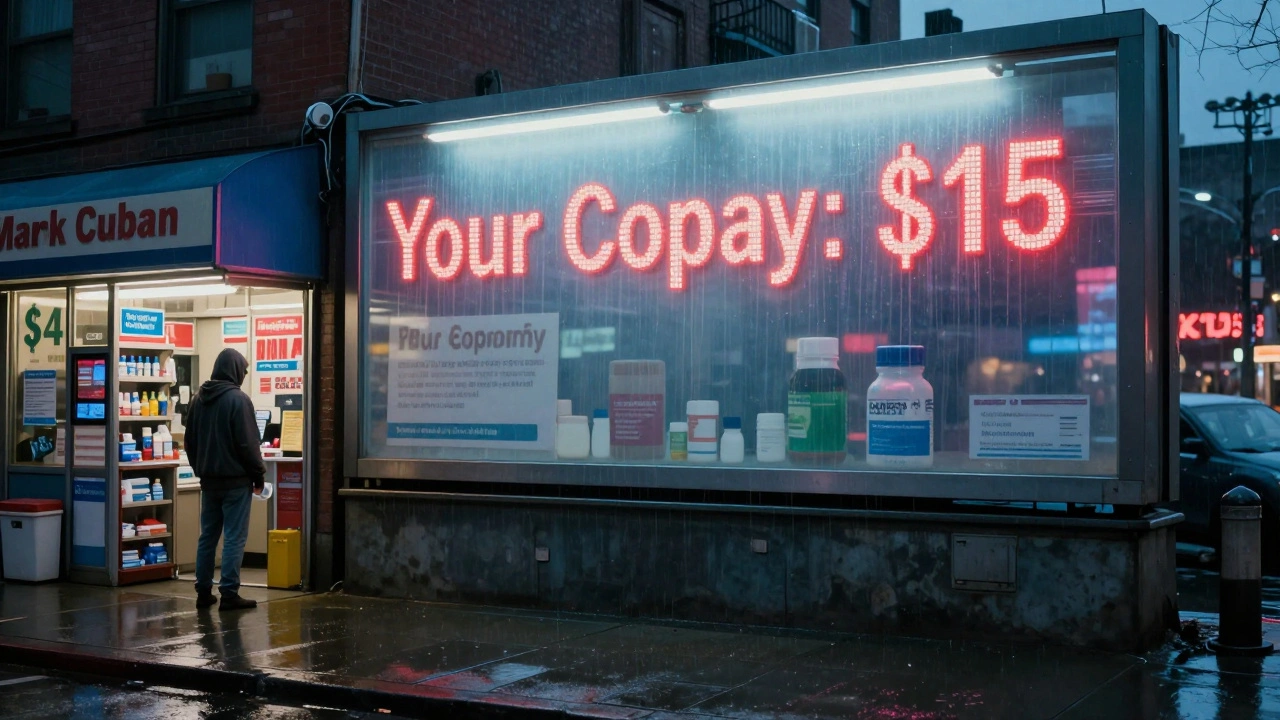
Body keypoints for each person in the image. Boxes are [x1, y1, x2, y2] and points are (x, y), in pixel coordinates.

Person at [184, 348, 265, 611]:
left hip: (209, 482)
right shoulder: (238, 400)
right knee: (234, 537)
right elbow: (248, 444)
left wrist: (201, 469)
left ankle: (203, 591)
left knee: (207, 536)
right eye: (244, 369)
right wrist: (258, 474)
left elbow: (189, 442)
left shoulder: (198, 399)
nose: (244, 373)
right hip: (235, 482)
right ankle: (229, 593)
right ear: (234, 369)